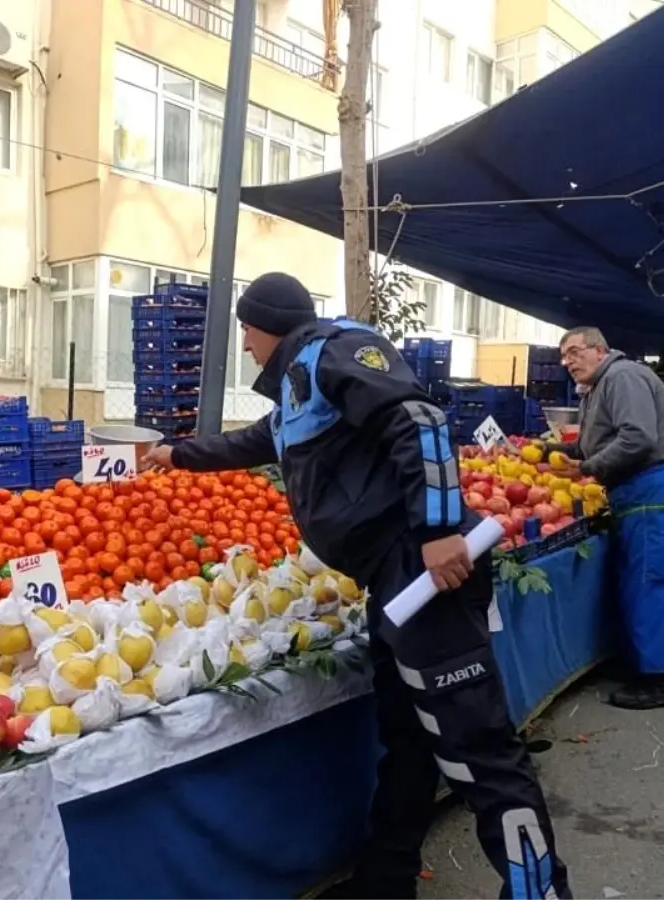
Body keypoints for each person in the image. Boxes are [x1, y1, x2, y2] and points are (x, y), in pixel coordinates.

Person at [143, 272, 573, 900]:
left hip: (426, 572)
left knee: (476, 747)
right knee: (407, 740)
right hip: (392, 582)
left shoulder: (334, 350)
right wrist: (179, 455)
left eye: (245, 329)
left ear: (267, 324)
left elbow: (418, 420)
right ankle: (385, 880)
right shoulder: (298, 386)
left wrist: (439, 526)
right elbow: (259, 441)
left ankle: (540, 892)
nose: (243, 345)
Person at [552, 326, 664, 710]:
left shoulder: (623, 377)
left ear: (599, 349)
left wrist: (588, 468)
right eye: (563, 356)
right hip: (636, 492)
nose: (567, 361)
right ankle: (642, 663)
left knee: (656, 580)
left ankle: (662, 681)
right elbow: (592, 443)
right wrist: (550, 450)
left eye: (573, 352)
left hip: (652, 491)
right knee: (639, 579)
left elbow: (637, 439)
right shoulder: (599, 386)